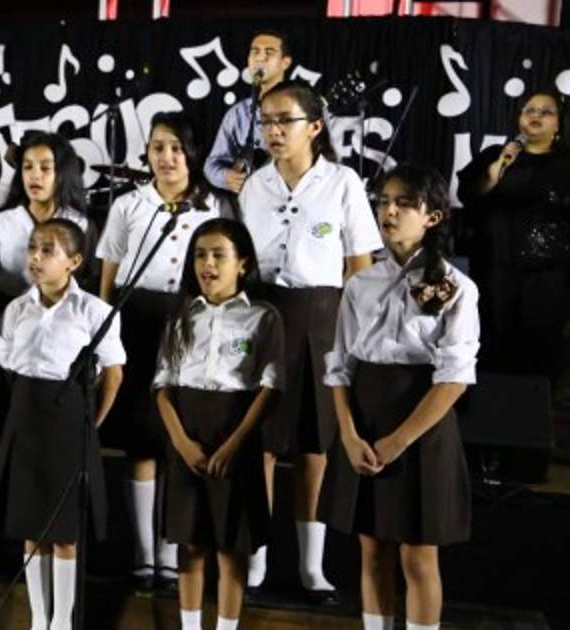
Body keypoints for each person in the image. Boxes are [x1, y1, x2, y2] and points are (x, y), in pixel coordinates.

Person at [237, 80, 381, 597]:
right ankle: (255, 557)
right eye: (266, 122)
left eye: (285, 121)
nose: (273, 131)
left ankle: (310, 566)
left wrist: (353, 334)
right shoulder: (254, 185)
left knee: (314, 445)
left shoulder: (342, 182)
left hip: (322, 317)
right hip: (262, 314)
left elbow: (360, 266)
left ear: (315, 126)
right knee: (260, 442)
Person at [322, 165, 479, 630]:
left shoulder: (457, 287)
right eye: (383, 201)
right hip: (364, 418)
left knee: (418, 556)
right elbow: (340, 365)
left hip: (421, 424)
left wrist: (398, 441)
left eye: (403, 203)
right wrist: (349, 435)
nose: (388, 211)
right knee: (371, 550)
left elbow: (453, 379)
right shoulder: (360, 283)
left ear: (432, 217)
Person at [95, 112, 231, 588]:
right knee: (140, 440)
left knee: (179, 438)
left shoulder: (212, 206)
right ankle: (142, 555)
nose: (166, 157)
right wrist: (106, 335)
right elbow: (109, 274)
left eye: (175, 147)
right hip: (135, 322)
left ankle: (172, 553)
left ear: (191, 153)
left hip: (191, 321)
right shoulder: (129, 205)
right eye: (157, 147)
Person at [0, 219, 124, 630]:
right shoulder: (16, 309)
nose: (36, 257)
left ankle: (62, 620)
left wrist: (91, 423)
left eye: (48, 250)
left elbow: (113, 374)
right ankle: (38, 617)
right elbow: (9, 365)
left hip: (69, 422)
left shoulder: (93, 311)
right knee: (32, 526)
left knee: (64, 531)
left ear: (74, 262)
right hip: (26, 419)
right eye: (33, 248)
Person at [154, 218, 283, 630]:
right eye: (200, 255)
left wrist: (234, 444)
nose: (207, 264)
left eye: (218, 255)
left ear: (242, 263)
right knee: (190, 544)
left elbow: (271, 387)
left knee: (231, 546)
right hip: (187, 431)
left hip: (235, 431)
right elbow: (162, 386)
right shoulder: (181, 316)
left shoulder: (262, 316)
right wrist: (182, 443)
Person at [456, 90, 570, 386]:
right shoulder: (497, 155)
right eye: (529, 109)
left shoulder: (565, 164)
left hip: (548, 279)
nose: (536, 115)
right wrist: (498, 168)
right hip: (494, 273)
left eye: (546, 111)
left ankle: (538, 409)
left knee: (539, 352)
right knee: (493, 349)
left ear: (558, 124)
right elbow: (468, 194)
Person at [0, 131, 95, 297]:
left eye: (45, 168)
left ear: (62, 173)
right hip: (7, 306)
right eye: (27, 167)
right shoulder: (2, 222)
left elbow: (88, 280)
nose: (35, 175)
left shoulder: (80, 224)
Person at [205, 30, 294, 194]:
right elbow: (212, 165)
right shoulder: (238, 113)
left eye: (269, 52)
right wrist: (227, 177)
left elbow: (328, 160)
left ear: (285, 62)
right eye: (255, 52)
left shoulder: (304, 107)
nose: (260, 58)